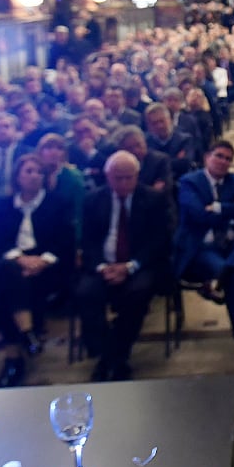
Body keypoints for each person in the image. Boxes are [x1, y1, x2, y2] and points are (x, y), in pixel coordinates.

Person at [173, 140, 234, 383]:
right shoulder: (189, 182)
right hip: (202, 248)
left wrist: (216, 207)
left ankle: (227, 270)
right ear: (207, 157)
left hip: (230, 245)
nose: (223, 162)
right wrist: (228, 211)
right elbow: (196, 214)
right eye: (219, 156)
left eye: (228, 158)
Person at [77, 151, 172, 381]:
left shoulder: (153, 199)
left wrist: (129, 266)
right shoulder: (93, 200)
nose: (123, 183)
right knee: (85, 293)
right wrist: (101, 267)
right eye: (117, 178)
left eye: (129, 177)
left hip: (139, 265)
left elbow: (160, 240)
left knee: (137, 295)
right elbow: (87, 242)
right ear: (107, 176)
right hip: (103, 265)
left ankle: (114, 357)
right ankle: (110, 354)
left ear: (137, 176)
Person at [0, 154, 74, 387]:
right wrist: (21, 259)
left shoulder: (58, 203)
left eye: (38, 171)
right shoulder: (2, 205)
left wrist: (42, 260)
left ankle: (13, 359)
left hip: (47, 267)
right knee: (8, 273)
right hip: (13, 263)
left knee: (3, 293)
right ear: (18, 176)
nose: (34, 175)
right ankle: (27, 333)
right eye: (29, 171)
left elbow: (65, 240)